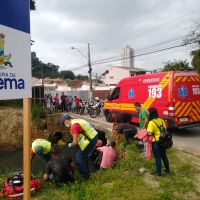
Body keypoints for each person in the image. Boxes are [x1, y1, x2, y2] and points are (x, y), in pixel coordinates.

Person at [60, 114, 98, 179]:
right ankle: (88, 172)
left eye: (64, 123)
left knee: (79, 158)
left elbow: (75, 142)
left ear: (66, 121)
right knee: (84, 156)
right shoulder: (77, 120)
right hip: (93, 136)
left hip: (90, 140)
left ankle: (86, 177)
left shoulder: (74, 126)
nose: (65, 125)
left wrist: (69, 145)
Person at [147, 107, 170, 176]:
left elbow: (149, 133)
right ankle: (167, 169)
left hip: (156, 142)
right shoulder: (161, 120)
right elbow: (165, 129)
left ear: (150, 113)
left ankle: (158, 172)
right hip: (163, 141)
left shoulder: (151, 122)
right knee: (164, 156)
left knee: (157, 157)